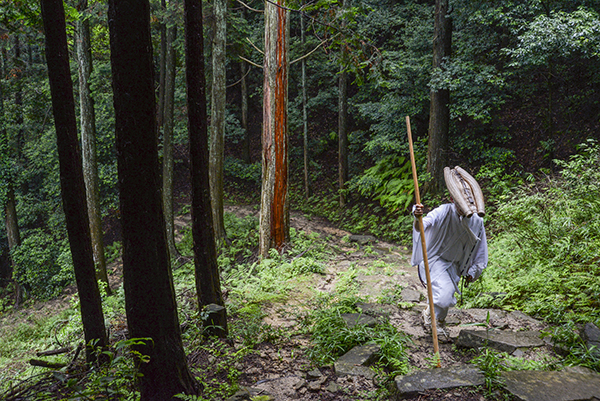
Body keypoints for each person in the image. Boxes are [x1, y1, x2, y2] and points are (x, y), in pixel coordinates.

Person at [411, 166, 488, 327]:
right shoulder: (443, 211)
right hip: (436, 260)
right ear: (453, 200)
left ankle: (435, 322)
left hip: (456, 264)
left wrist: (473, 270)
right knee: (445, 295)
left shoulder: (477, 221)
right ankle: (431, 318)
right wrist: (417, 216)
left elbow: (480, 248)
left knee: (445, 297)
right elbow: (422, 227)